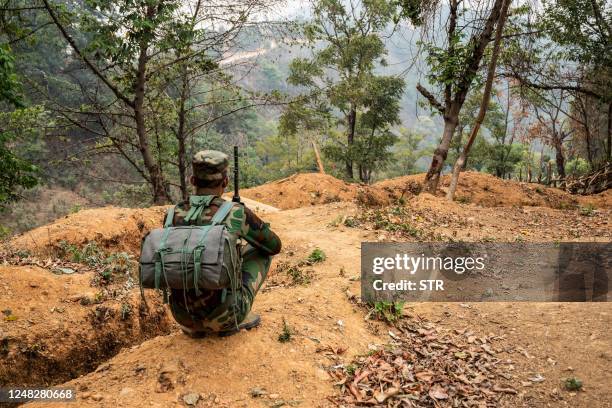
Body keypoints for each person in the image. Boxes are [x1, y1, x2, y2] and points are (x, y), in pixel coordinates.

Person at [165, 150, 282, 337]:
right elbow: (274, 246)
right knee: (260, 251)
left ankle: (196, 324)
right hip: (227, 316)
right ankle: (231, 317)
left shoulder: (173, 214)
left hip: (182, 315)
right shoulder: (235, 213)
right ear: (226, 182)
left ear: (192, 180)